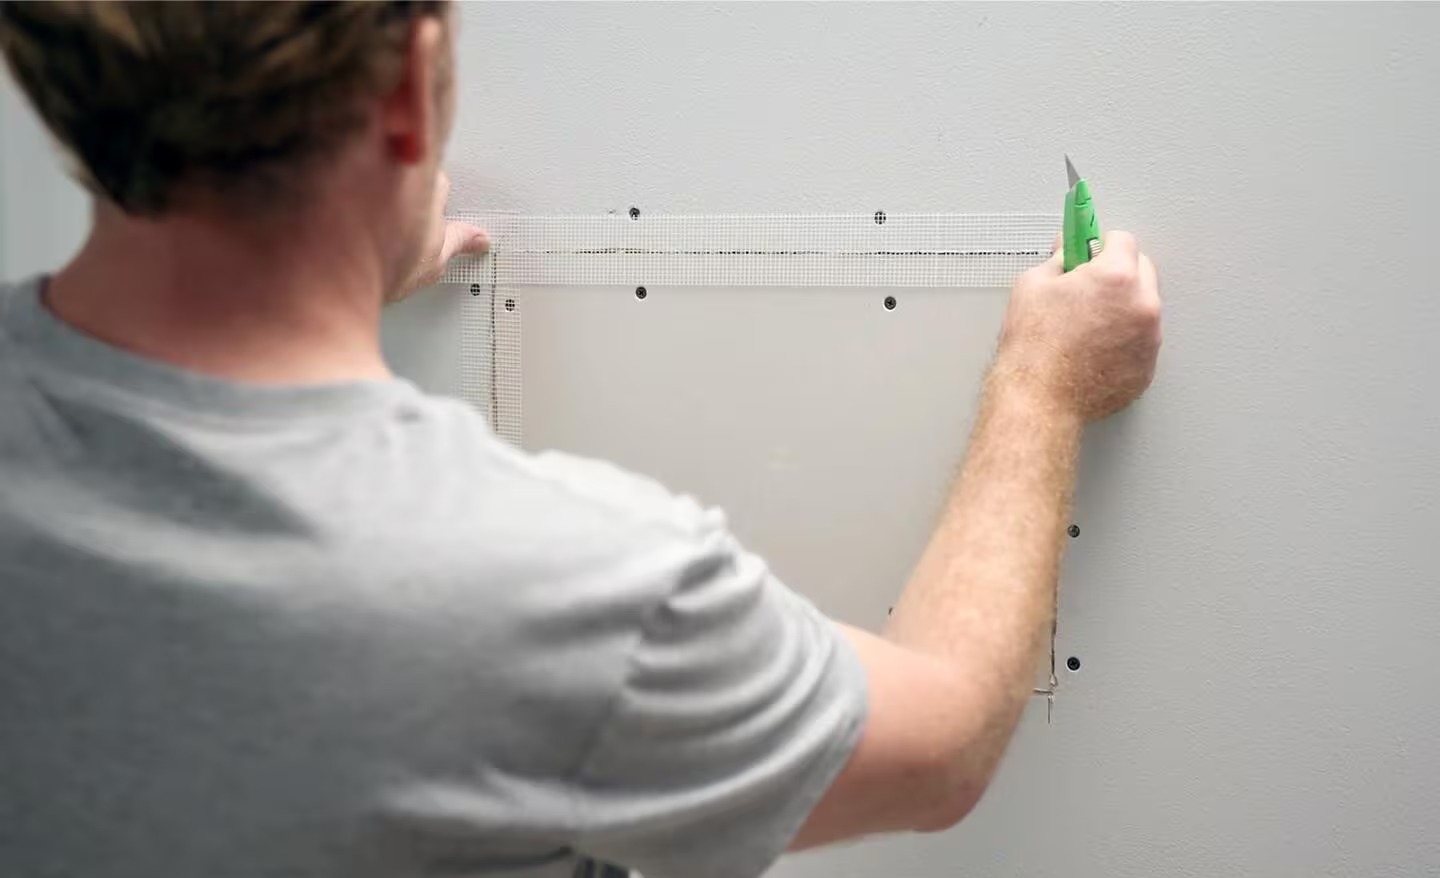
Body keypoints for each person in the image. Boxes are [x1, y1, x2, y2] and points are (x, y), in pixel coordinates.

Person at [0, 3, 1161, 877]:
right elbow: (943, 741)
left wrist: (335, 266)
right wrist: (1043, 386)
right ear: (406, 90)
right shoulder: (561, 585)